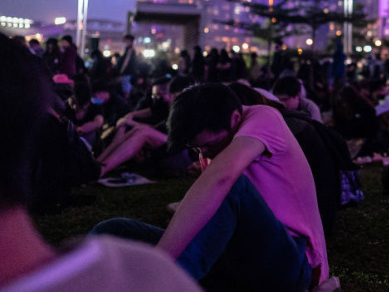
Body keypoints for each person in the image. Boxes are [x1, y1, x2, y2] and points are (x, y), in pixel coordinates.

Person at [0, 34, 202, 292]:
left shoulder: (189, 111)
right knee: (132, 130)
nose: (162, 98)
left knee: (140, 133)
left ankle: (100, 167)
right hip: (160, 148)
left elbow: (178, 138)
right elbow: (144, 117)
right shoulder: (154, 274)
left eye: (164, 94)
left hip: (179, 151)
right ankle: (98, 165)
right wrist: (130, 118)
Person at [92, 83, 330, 291]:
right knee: (115, 230)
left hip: (290, 264)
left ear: (235, 118)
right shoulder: (217, 143)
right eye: (197, 149)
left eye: (207, 145)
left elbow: (222, 180)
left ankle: (166, 283)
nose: (202, 154)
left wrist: (159, 260)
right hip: (233, 260)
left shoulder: (265, 118)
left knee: (231, 186)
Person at [114, 34, 137, 98]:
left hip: (126, 74)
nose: (124, 42)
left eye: (125, 40)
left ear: (129, 41)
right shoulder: (129, 50)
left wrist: (120, 73)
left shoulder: (130, 50)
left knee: (126, 91)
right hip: (127, 73)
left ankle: (125, 105)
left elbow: (125, 63)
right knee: (126, 90)